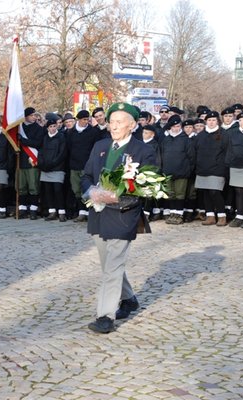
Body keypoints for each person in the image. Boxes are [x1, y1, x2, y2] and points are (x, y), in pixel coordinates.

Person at [81, 102, 156, 334]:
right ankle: (129, 298)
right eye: (111, 122)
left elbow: (148, 187)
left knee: (113, 266)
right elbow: (85, 175)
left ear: (132, 126)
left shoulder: (144, 151)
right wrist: (91, 192)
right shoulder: (100, 146)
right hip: (98, 214)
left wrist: (116, 197)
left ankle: (105, 316)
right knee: (109, 265)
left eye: (119, 122)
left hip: (123, 215)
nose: (113, 126)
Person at [193, 111, 229, 226]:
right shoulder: (200, 135)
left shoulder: (224, 134)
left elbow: (227, 152)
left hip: (217, 169)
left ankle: (222, 215)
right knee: (206, 193)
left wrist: (224, 168)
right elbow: (195, 152)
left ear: (217, 121)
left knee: (215, 192)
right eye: (209, 120)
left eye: (213, 120)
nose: (211, 122)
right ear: (206, 122)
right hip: (202, 168)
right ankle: (210, 216)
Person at [159, 115, 194, 225]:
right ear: (170, 127)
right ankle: (172, 213)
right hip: (168, 172)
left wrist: (188, 170)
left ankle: (179, 214)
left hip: (181, 172)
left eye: (178, 126)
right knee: (170, 194)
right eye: (173, 126)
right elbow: (161, 155)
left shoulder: (186, 140)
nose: (176, 128)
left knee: (180, 194)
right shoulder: (166, 140)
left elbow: (191, 157)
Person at [17, 107, 44, 219]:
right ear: (26, 117)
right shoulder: (20, 127)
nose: (34, 117)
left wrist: (23, 140)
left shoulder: (38, 128)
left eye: (35, 115)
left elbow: (38, 143)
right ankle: (22, 209)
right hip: (21, 161)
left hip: (32, 161)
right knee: (22, 187)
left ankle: (33, 210)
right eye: (32, 115)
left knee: (33, 186)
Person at [38, 119, 67, 222]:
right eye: (50, 127)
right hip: (45, 169)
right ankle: (52, 211)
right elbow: (40, 151)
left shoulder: (61, 137)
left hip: (57, 168)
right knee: (48, 191)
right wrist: (42, 163)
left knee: (58, 190)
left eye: (54, 126)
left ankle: (62, 212)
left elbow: (62, 153)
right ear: (47, 128)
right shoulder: (45, 138)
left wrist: (52, 164)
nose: (53, 128)